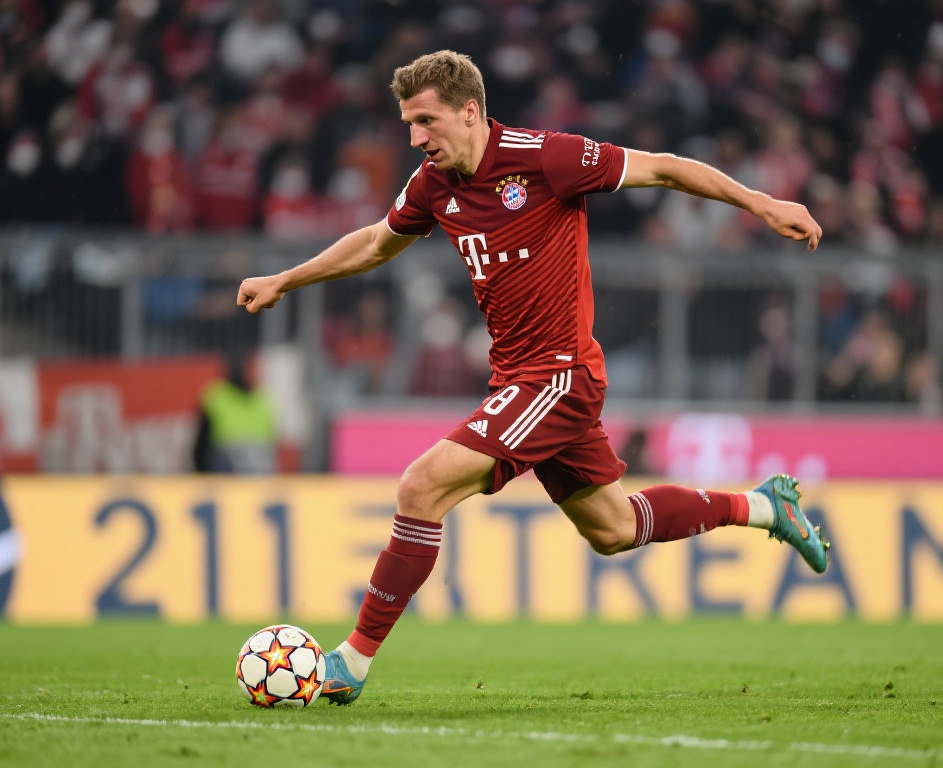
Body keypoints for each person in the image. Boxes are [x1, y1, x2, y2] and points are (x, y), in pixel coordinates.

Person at [237, 50, 829, 705]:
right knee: (614, 529)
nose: (415, 138)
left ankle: (351, 661)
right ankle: (765, 506)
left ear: (469, 111)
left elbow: (663, 167)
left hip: (559, 377)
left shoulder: (547, 158)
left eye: (426, 121)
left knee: (421, 486)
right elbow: (378, 242)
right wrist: (286, 278)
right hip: (517, 382)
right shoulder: (433, 183)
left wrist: (761, 203)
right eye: (408, 124)